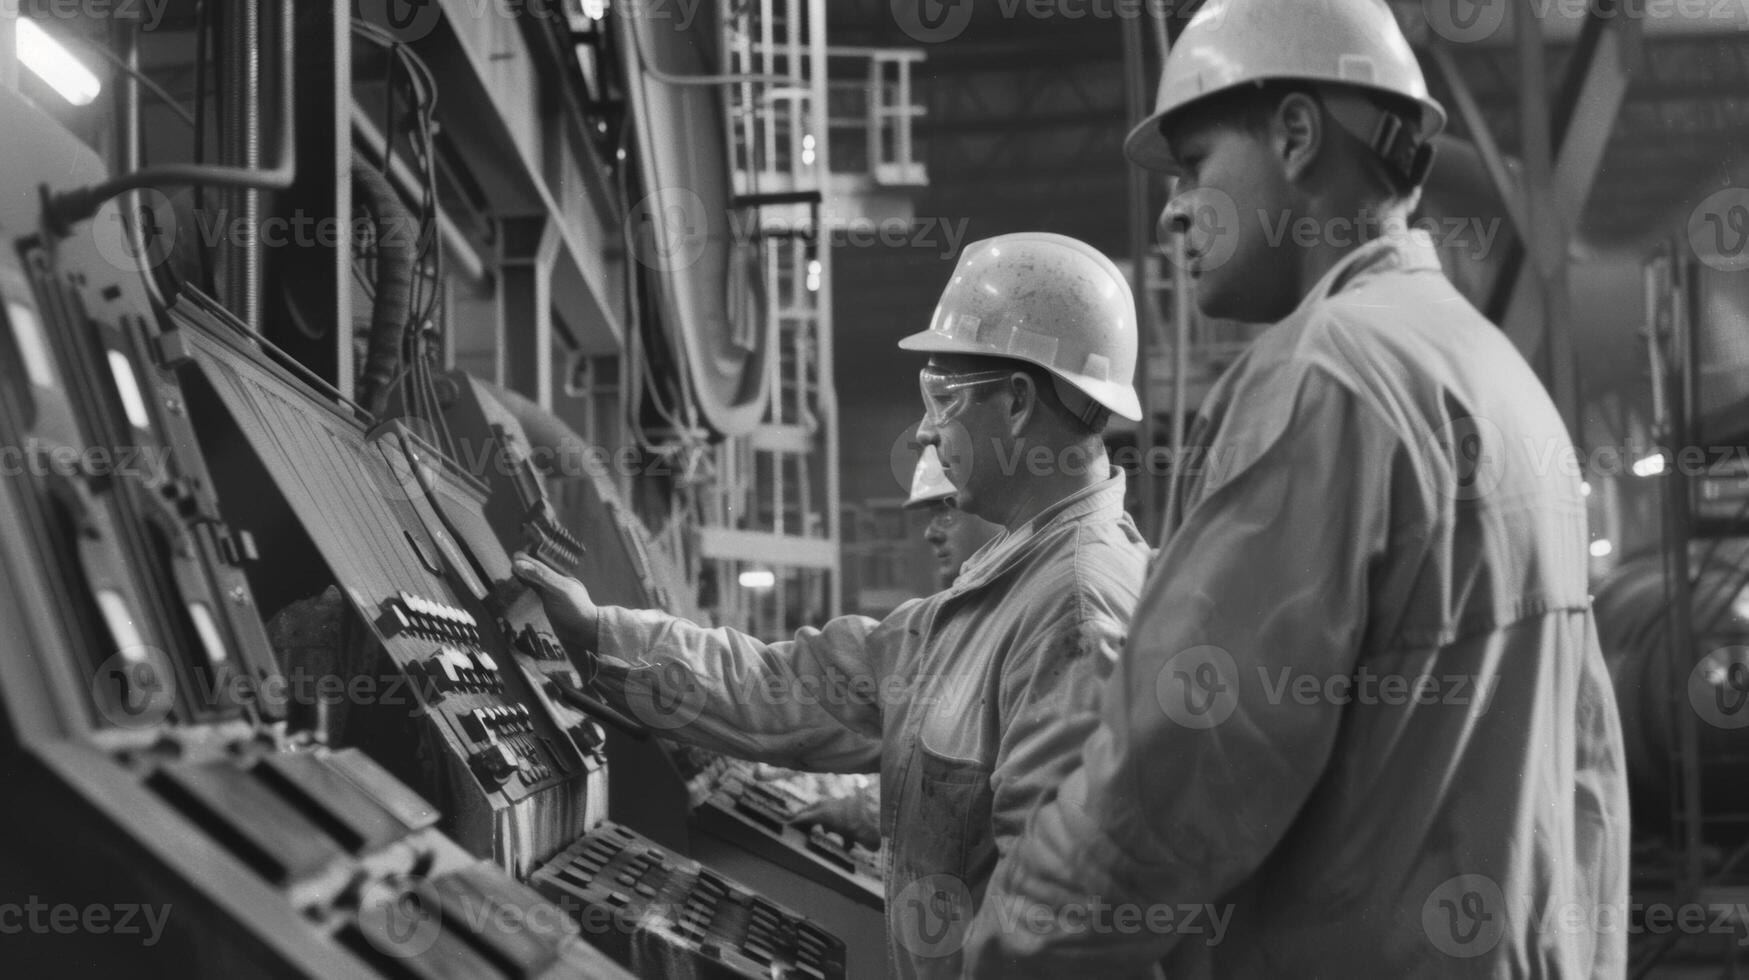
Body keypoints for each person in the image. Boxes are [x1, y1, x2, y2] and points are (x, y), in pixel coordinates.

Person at [963, 2, 1631, 977]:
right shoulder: (1496, 375)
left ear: (1296, 135)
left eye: (1194, 167)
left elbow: (1176, 773)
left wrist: (1007, 949)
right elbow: (1589, 782)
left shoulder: (1324, 378)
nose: (1171, 211)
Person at [514, 232, 1152, 980]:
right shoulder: (998, 596)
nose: (923, 428)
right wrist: (599, 632)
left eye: (941, 397)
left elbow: (1059, 936)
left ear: (1014, 402)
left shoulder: (1072, 613)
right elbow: (795, 685)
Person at [786, 446, 1006, 850]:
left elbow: (986, 793)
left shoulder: (1061, 607)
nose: (930, 531)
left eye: (947, 509)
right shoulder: (966, 622)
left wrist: (866, 810)